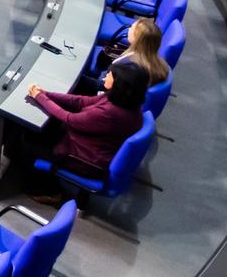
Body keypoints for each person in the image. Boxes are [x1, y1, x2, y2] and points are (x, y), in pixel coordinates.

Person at [21, 60, 150, 199]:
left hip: (85, 160)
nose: (105, 77)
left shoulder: (109, 113)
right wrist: (46, 93)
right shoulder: (123, 100)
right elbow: (80, 101)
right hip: (89, 145)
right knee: (42, 128)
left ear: (119, 84)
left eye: (109, 75)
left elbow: (68, 118)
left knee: (26, 138)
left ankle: (46, 189)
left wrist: (39, 97)